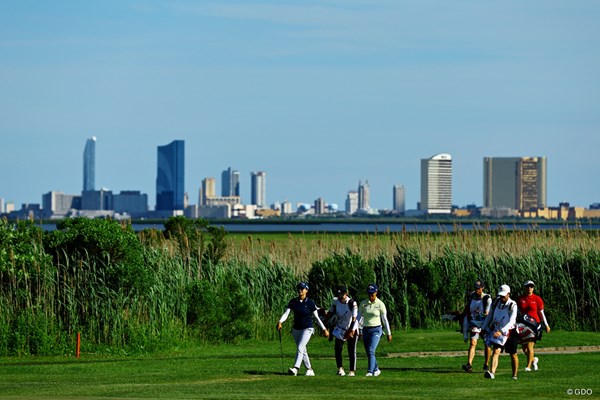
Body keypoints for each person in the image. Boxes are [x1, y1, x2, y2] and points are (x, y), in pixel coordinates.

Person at [277, 282, 329, 376]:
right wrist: (280, 322)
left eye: (302, 288)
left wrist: (324, 329)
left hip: (307, 328)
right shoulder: (293, 301)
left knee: (300, 347)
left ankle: (296, 368)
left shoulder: (310, 302)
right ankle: (310, 370)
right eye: (299, 288)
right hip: (296, 329)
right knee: (302, 350)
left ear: (306, 290)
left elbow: (316, 318)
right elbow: (286, 313)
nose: (300, 290)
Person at [482, 284, 519, 380]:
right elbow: (490, 316)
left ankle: (514, 375)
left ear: (508, 294)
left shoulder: (512, 305)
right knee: (496, 351)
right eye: (501, 295)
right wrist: (483, 328)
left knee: (513, 354)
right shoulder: (496, 303)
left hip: (510, 331)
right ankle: (492, 373)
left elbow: (512, 321)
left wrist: (502, 331)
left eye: (504, 295)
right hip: (497, 330)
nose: (502, 297)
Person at [357, 283, 392, 377]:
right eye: (369, 294)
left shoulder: (380, 304)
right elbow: (358, 317)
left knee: (371, 350)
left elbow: (384, 319)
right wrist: (354, 328)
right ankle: (376, 369)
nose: (370, 296)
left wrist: (389, 333)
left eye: (372, 294)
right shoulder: (363, 303)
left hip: (376, 330)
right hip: (365, 330)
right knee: (368, 352)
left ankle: (370, 371)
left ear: (376, 293)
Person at [517, 280, 551, 372]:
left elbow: (541, 313)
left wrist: (546, 325)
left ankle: (528, 367)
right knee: (524, 349)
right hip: (524, 325)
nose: (529, 289)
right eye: (527, 287)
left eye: (531, 287)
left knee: (530, 345)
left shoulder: (537, 299)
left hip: (535, 325)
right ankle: (533, 360)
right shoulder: (520, 299)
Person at [325, 285, 359, 377]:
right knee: (338, 348)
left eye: (342, 295)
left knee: (351, 350)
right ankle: (340, 368)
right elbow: (331, 312)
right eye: (338, 295)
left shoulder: (352, 303)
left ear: (346, 294)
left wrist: (351, 330)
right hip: (340, 328)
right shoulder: (335, 301)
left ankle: (352, 371)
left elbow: (354, 318)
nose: (340, 297)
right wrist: (325, 323)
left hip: (351, 328)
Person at [461, 279, 492, 373]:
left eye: (478, 288)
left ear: (482, 288)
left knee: (487, 344)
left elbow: (487, 313)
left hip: (485, 324)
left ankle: (486, 364)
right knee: (473, 343)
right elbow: (467, 309)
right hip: (474, 324)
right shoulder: (471, 297)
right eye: (475, 288)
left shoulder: (487, 298)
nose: (477, 290)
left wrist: (480, 316)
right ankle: (469, 364)